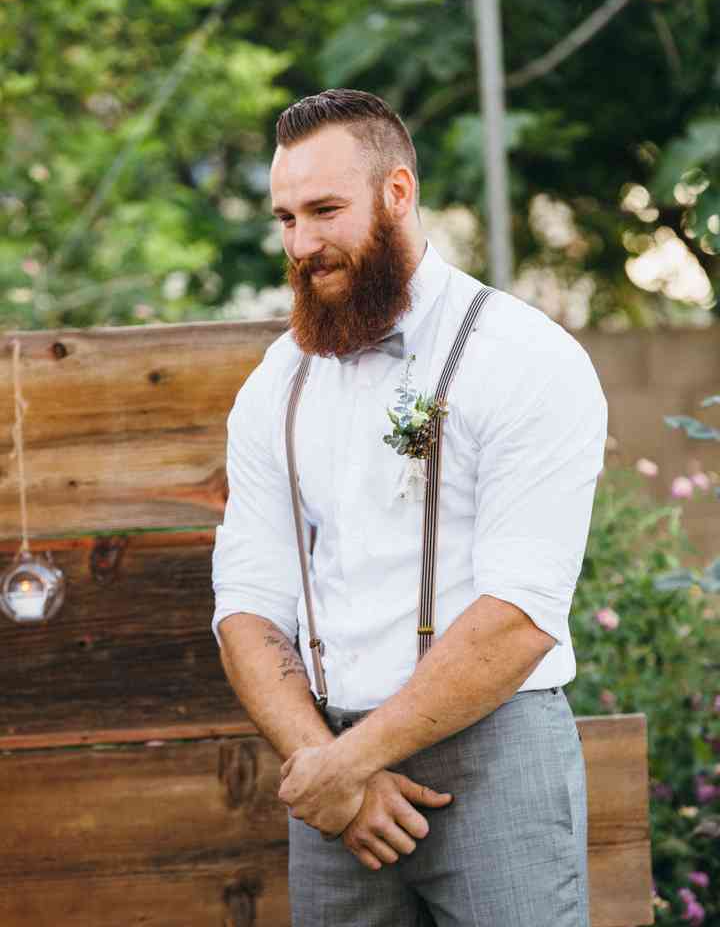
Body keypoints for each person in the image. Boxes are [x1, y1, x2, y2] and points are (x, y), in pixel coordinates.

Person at [211, 88, 608, 927]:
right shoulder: (273, 387)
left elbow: (521, 612)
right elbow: (247, 604)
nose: (302, 243)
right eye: (286, 218)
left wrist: (351, 760)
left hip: (496, 759)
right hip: (329, 779)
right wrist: (327, 766)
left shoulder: (526, 359)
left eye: (325, 210)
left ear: (398, 194)